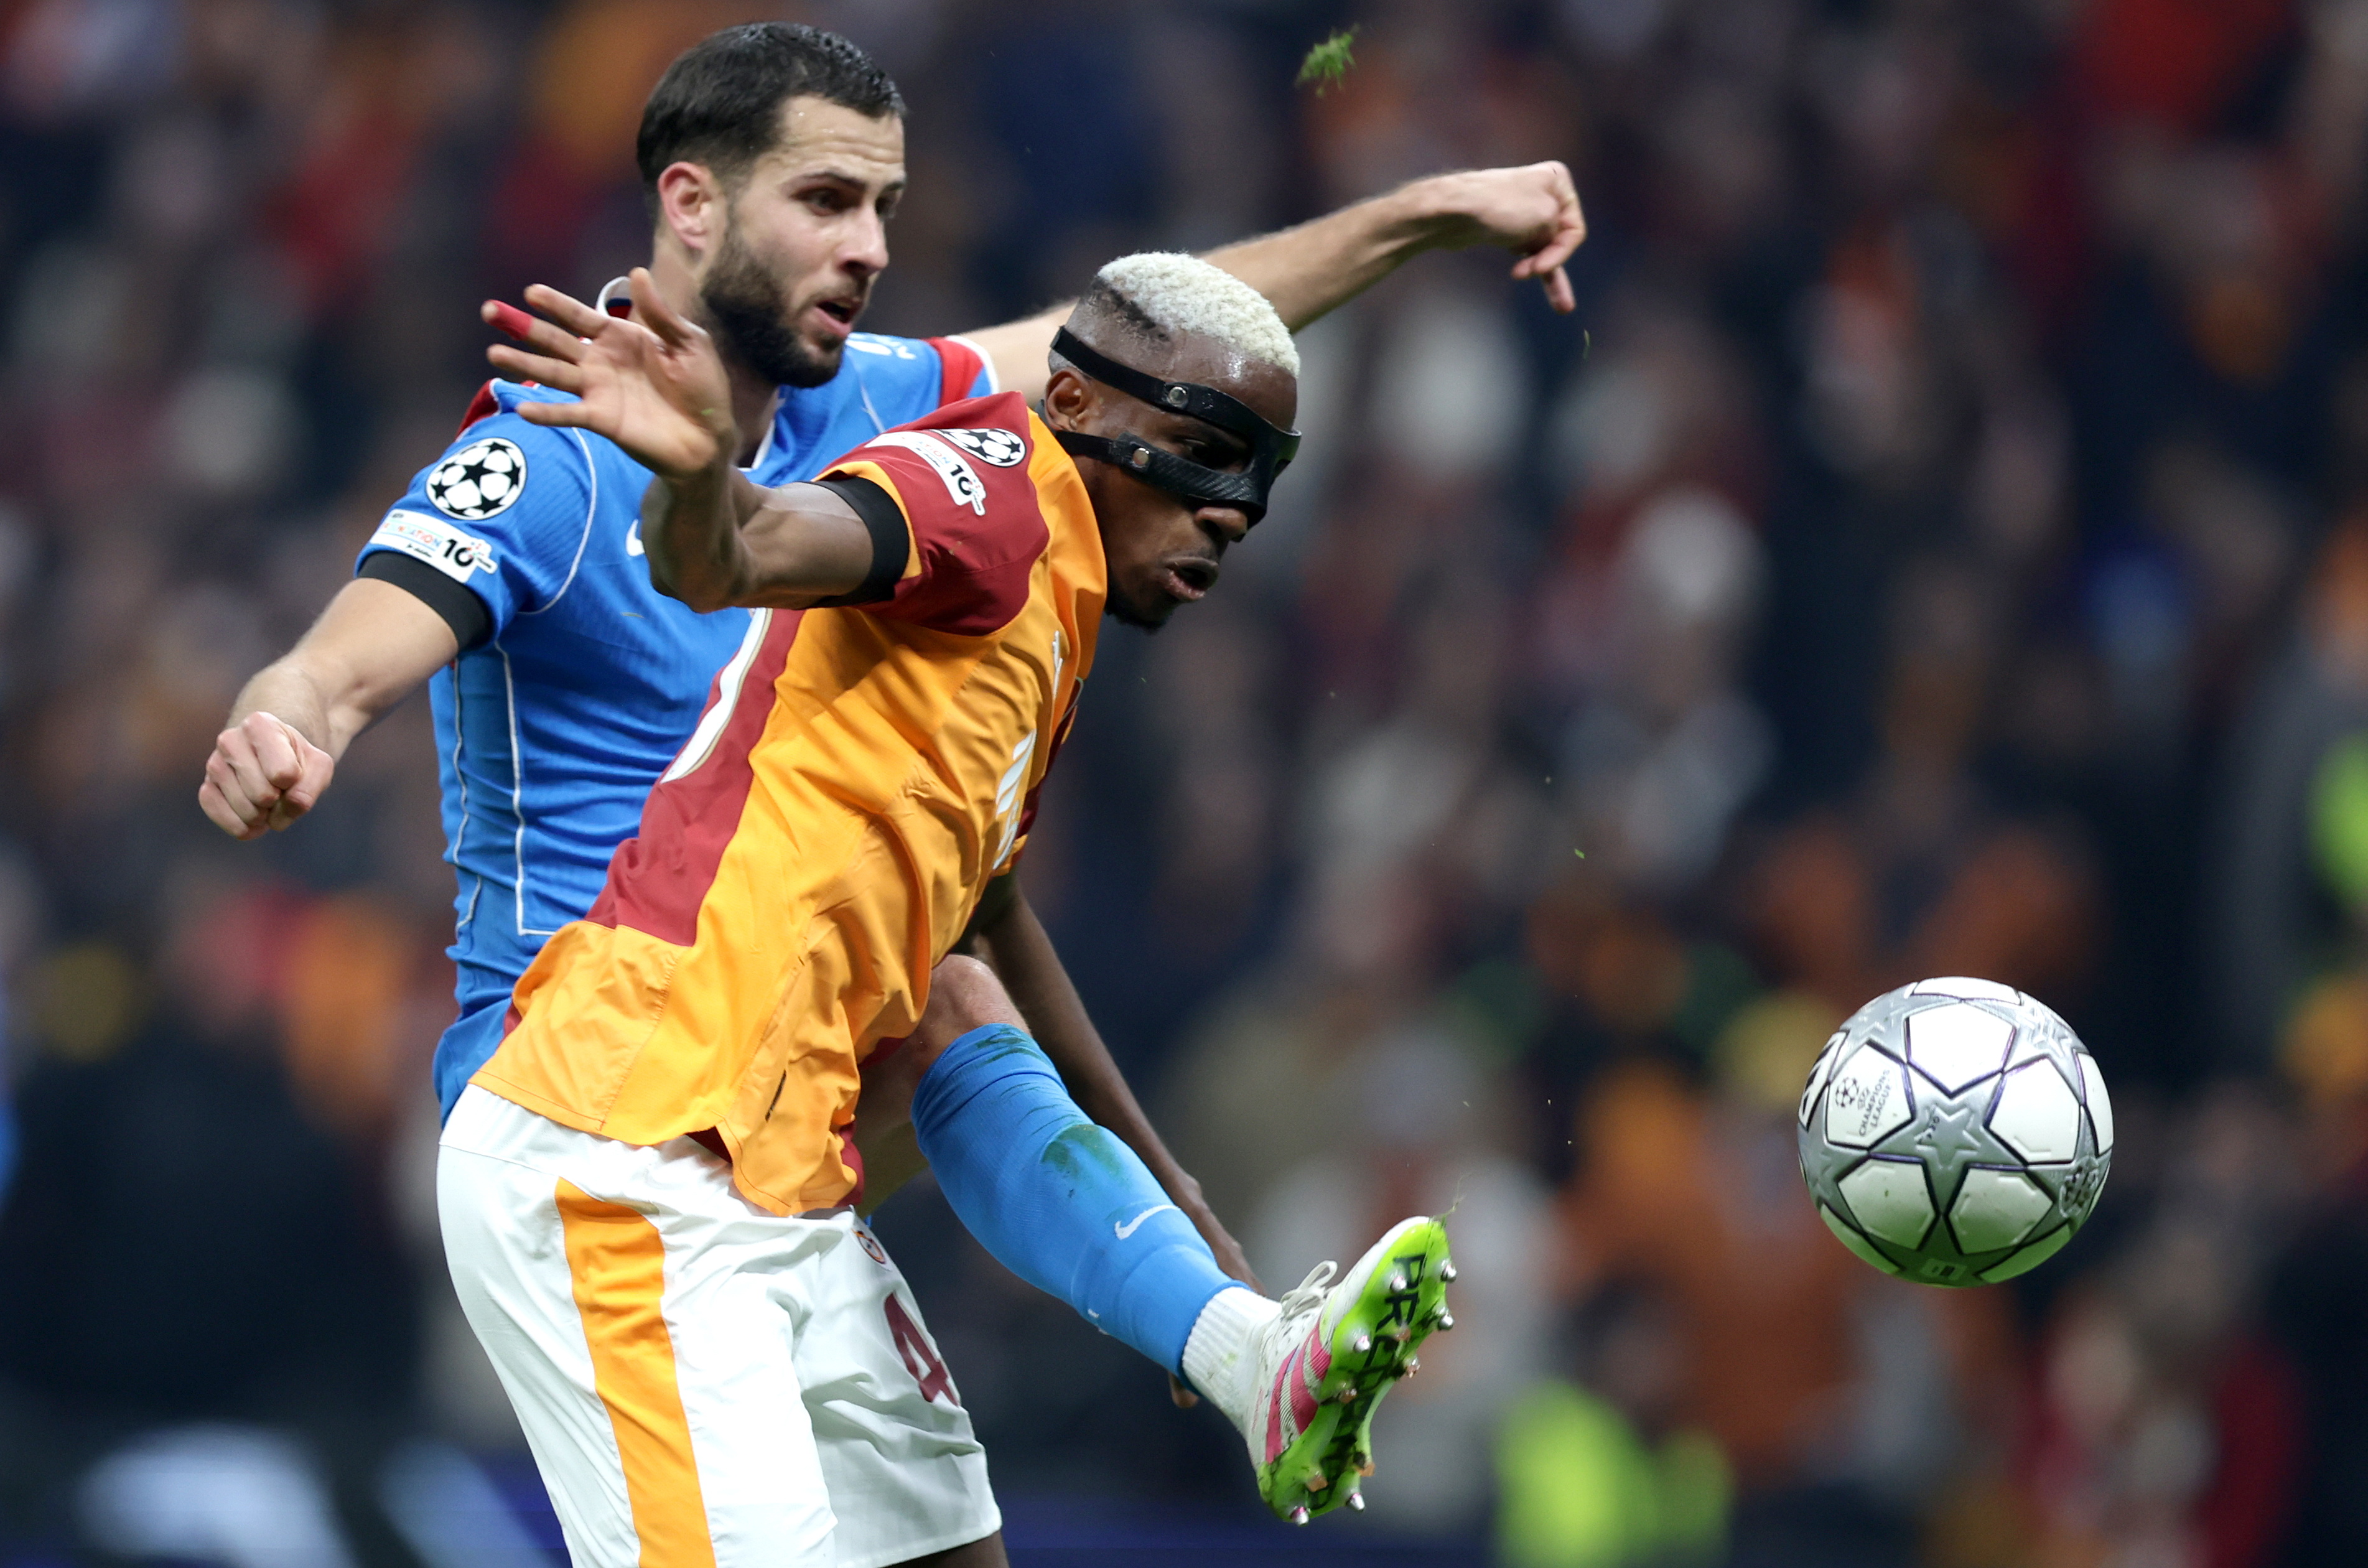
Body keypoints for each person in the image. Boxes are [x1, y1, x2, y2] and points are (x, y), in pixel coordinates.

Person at [196, 21, 1575, 1564]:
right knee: (952, 1008)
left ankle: (1238, 1350)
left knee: (956, 995)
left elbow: (1142, 339)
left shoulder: (897, 411)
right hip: (598, 1074)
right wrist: (285, 730)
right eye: (828, 201)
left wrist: (1415, 218)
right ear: (694, 204)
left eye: (886, 211)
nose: (867, 249)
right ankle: (1236, 1350)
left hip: (774, 1093)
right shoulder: (552, 453)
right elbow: (329, 665)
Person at [452, 250, 1452, 1564]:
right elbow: (742, 551)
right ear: (1081, 405)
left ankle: (1243, 1358)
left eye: (1265, 472)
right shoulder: (985, 486)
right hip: (630, 1146)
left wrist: (1176, 1206)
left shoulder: (1050, 622)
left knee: (954, 1002)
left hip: (777, 1178)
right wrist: (701, 476)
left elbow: (986, 921)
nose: (1234, 508)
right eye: (1208, 448)